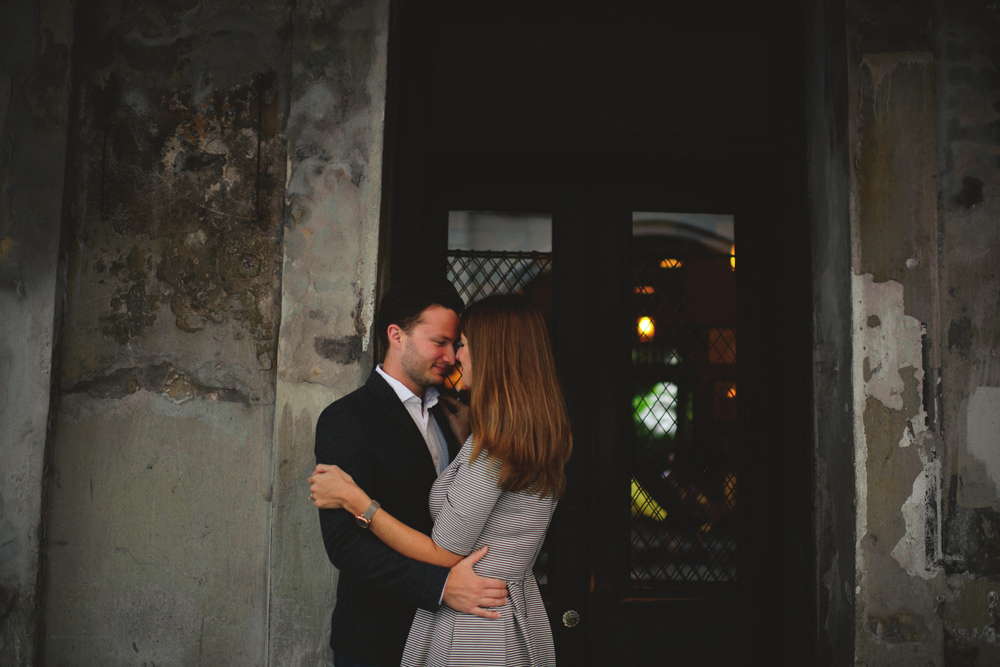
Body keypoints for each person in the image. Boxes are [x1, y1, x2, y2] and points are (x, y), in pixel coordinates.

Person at [311, 293, 573, 667]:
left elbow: (472, 519)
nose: (451, 356)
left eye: (459, 343)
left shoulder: (471, 419)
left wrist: (359, 501)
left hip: (471, 628)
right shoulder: (348, 419)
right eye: (441, 342)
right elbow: (345, 545)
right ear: (396, 336)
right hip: (380, 634)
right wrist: (439, 587)